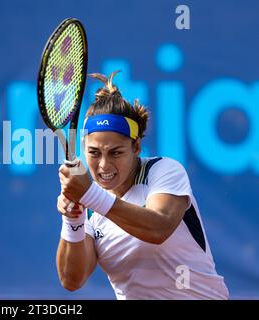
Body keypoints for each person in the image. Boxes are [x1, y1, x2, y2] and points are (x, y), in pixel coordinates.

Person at [56, 71, 229, 300]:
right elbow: (72, 280)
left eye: (116, 152)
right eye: (94, 153)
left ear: (136, 147)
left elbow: (159, 228)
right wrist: (73, 219)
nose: (104, 165)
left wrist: (89, 193)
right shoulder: (90, 208)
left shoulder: (164, 170)